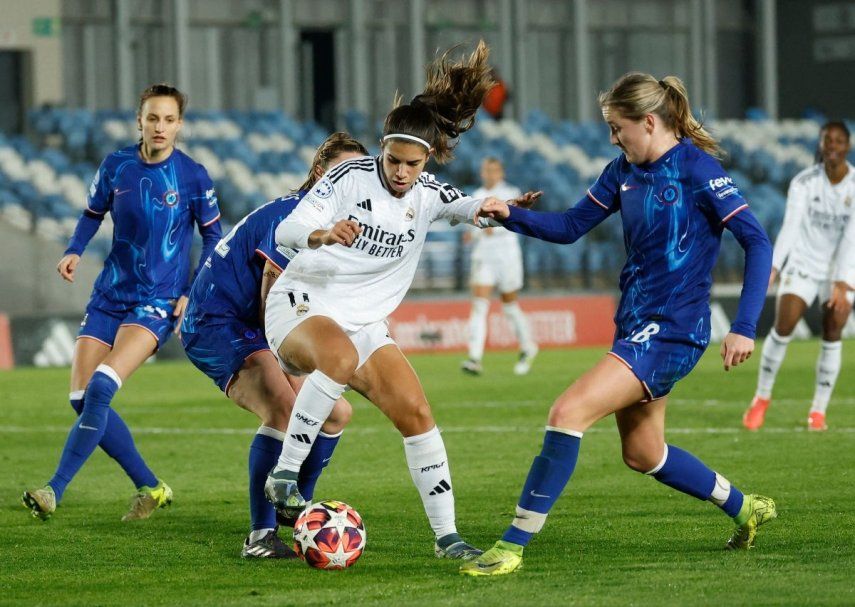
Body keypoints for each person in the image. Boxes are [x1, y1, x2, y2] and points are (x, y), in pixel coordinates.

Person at [460, 73, 776, 577]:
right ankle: (744, 507)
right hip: (634, 323)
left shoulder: (698, 169)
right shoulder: (622, 170)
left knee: (567, 411)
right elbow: (570, 226)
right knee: (644, 453)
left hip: (674, 329)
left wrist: (744, 324)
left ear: (648, 122)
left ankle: (512, 544)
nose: (612, 138)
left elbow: (756, 241)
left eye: (617, 127)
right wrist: (508, 215)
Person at [262, 41, 505, 560]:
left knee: (416, 412)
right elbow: (287, 229)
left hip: (364, 325)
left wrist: (497, 207)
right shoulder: (347, 177)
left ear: (426, 159)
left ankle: (448, 538)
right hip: (302, 304)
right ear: (381, 148)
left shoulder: (427, 194)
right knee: (338, 356)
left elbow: (467, 206)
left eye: (412, 164)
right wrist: (323, 234)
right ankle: (284, 475)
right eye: (393, 160)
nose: (401, 172)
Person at [22, 84, 222, 521]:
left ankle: (54, 489)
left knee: (100, 388)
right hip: (110, 294)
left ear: (179, 125)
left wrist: (191, 291)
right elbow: (92, 213)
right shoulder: (116, 166)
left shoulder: (192, 175)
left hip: (157, 301)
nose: (160, 127)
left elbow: (213, 238)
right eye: (152, 118)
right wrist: (74, 249)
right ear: (139, 121)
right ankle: (151, 486)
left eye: (169, 119)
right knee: (81, 398)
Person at [180, 133, 366, 558]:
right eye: (342, 172)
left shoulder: (339, 225)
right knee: (284, 407)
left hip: (255, 321)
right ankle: (261, 536)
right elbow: (272, 283)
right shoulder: (298, 214)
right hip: (217, 320)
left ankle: (296, 510)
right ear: (319, 174)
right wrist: (287, 357)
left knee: (336, 413)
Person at [743, 121, 855, 432]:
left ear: (847, 146)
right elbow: (790, 227)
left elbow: (852, 237)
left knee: (833, 330)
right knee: (784, 326)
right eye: (827, 140)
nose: (832, 146)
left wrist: (843, 281)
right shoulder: (804, 183)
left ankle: (818, 411)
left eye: (838, 141)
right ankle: (761, 397)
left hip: (840, 269)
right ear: (820, 145)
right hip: (804, 263)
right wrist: (774, 267)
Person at [461, 157, 538, 376]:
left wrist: (494, 227)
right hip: (483, 256)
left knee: (509, 306)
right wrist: (471, 234)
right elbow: (472, 224)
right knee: (479, 305)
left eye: (494, 170)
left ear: (501, 172)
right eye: (487, 170)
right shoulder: (476, 195)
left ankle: (528, 346)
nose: (490, 174)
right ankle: (474, 358)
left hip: (506, 256)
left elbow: (519, 219)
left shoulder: (511, 193)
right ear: (482, 172)